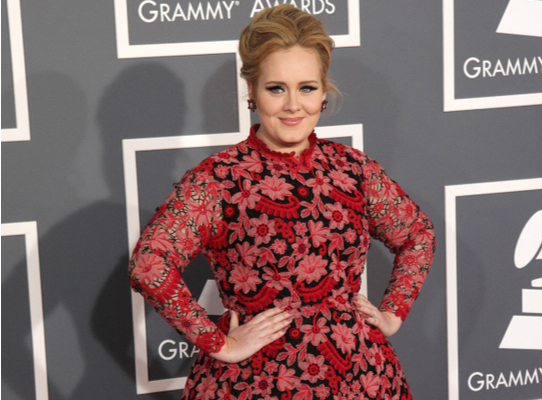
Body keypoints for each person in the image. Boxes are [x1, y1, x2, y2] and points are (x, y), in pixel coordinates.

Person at [128, 5, 435, 399]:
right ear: (252, 92)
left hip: (360, 380)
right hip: (257, 384)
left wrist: (392, 312)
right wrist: (219, 343)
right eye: (276, 88)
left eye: (307, 88)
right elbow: (149, 266)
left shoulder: (353, 169)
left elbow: (417, 235)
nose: (293, 105)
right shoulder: (219, 179)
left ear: (324, 93)